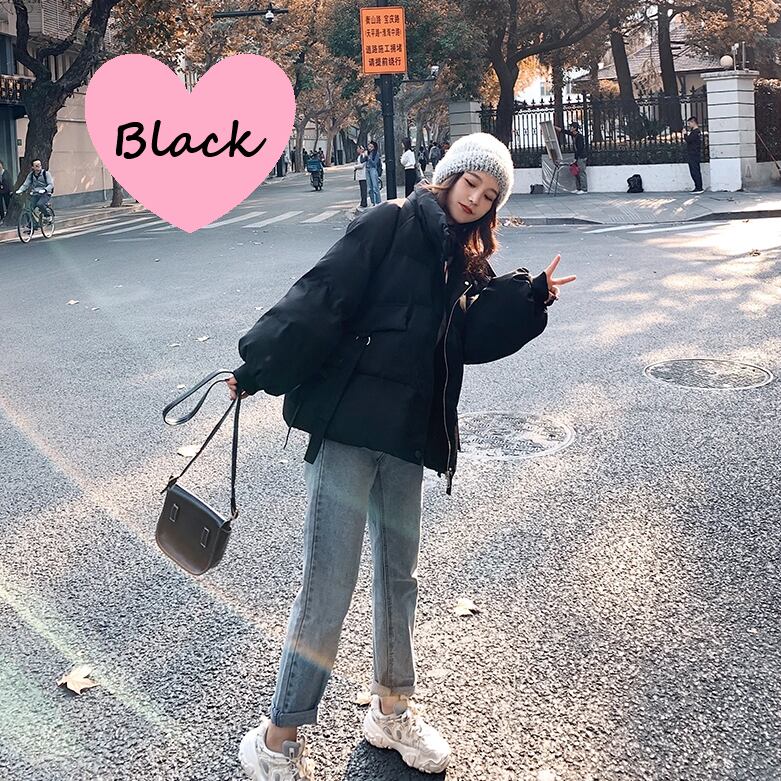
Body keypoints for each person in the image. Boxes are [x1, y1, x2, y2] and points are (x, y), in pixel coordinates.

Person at [227, 131, 576, 781]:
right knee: (328, 585)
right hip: (349, 432)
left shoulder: (461, 258)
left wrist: (530, 300)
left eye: (489, 195)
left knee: (398, 579)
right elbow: (321, 296)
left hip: (408, 436)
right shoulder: (387, 222)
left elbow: (467, 340)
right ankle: (277, 738)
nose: (475, 199)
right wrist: (258, 366)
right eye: (470, 183)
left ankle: (391, 710)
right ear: (447, 176)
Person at [554, 121, 587, 193]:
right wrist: (555, 128)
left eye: (571, 127)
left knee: (581, 173)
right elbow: (565, 131)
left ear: (575, 128)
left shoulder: (579, 137)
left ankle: (584, 189)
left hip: (581, 157)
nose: (570, 128)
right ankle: (578, 188)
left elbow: (580, 148)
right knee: (576, 172)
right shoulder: (574, 135)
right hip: (577, 157)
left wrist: (576, 158)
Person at [685, 116, 703, 192]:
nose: (689, 125)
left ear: (693, 122)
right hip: (695, 153)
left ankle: (698, 187)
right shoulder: (697, 132)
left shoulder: (695, 132)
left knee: (694, 171)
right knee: (695, 170)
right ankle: (698, 186)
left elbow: (688, 140)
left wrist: (685, 134)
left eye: (689, 123)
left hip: (693, 154)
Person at [365, 140, 382, 206]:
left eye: (371, 147)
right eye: (369, 146)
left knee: (375, 186)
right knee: (369, 188)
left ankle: (378, 202)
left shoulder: (376, 154)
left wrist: (369, 158)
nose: (369, 148)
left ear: (374, 148)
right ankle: (373, 202)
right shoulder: (367, 153)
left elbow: (374, 164)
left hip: (373, 170)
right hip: (367, 170)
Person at [353, 144, 368, 209]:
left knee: (364, 189)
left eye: (358, 148)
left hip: (363, 175)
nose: (357, 150)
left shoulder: (364, 155)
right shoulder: (360, 156)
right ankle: (362, 202)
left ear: (361, 149)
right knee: (362, 189)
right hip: (360, 175)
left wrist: (355, 166)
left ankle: (364, 202)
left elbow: (362, 165)